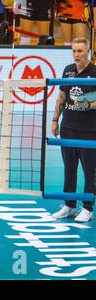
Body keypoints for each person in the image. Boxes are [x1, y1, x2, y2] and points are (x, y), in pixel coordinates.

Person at [51, 37, 96, 222]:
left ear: (88, 52)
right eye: (74, 51)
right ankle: (69, 206)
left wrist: (87, 103)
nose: (77, 55)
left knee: (89, 170)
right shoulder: (68, 70)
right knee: (69, 168)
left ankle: (87, 208)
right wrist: (55, 120)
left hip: (89, 130)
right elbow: (61, 96)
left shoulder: (94, 72)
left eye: (80, 51)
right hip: (68, 127)